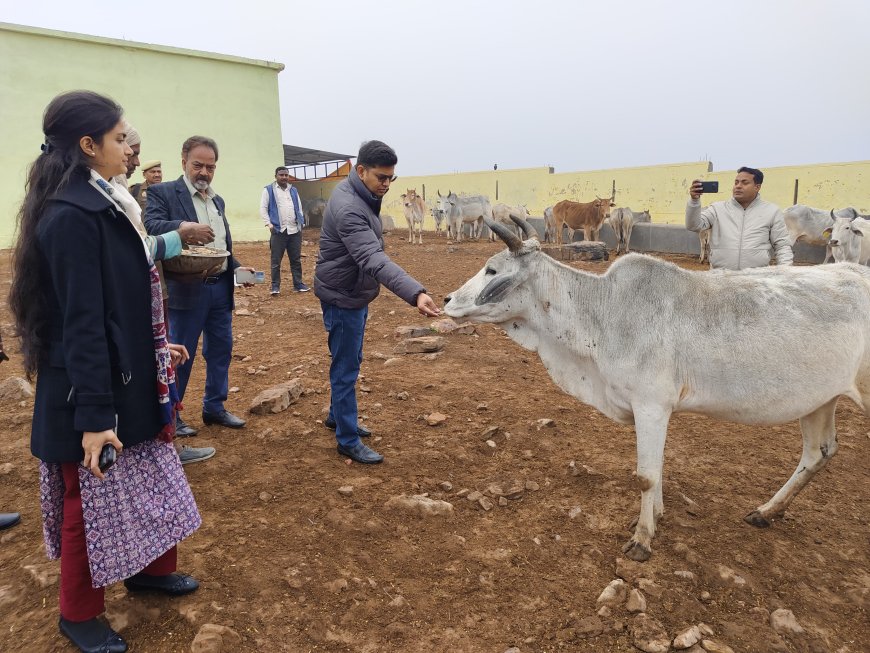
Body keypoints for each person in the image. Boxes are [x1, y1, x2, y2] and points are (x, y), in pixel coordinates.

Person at [9, 90, 202, 653]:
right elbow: (83, 324)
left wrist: (154, 351)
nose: (130, 148)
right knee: (84, 499)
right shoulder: (70, 216)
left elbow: (125, 293)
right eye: (120, 139)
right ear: (88, 145)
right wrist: (94, 417)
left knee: (149, 481)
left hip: (126, 375)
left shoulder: (107, 199)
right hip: (88, 388)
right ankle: (78, 614)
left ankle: (147, 569)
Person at [314, 140, 441, 464]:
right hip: (343, 297)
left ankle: (337, 417)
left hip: (349, 290)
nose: (386, 184)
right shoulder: (350, 208)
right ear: (361, 171)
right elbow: (373, 258)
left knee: (348, 358)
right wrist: (416, 293)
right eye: (381, 177)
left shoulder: (360, 194)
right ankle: (347, 438)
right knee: (346, 366)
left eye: (390, 179)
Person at [145, 136, 255, 435]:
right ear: (184, 162)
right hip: (187, 289)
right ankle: (173, 416)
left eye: (210, 167)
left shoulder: (217, 200)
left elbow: (220, 246)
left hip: (220, 288)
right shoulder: (163, 193)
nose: (204, 172)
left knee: (221, 349)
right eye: (198, 165)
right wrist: (183, 228)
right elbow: (150, 227)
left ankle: (215, 407)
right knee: (181, 353)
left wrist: (236, 268)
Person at [686, 167, 793, 270]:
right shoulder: (717, 209)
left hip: (756, 280)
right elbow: (694, 225)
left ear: (757, 187)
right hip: (721, 278)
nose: (738, 186)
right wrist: (694, 201)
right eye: (736, 182)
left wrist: (785, 272)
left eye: (744, 183)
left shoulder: (772, 211)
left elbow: (782, 245)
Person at [260, 165, 310, 295]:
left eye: (286, 175)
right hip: (278, 231)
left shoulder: (293, 190)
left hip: (294, 231)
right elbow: (263, 209)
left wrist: (300, 223)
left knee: (296, 260)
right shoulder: (269, 190)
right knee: (276, 261)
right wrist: (269, 224)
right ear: (276, 176)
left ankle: (298, 284)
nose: (284, 177)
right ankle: (275, 287)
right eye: (281, 175)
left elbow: (298, 207)